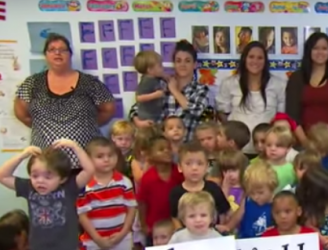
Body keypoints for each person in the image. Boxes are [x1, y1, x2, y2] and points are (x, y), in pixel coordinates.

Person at [14, 33, 115, 173]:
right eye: (52, 49)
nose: (57, 53)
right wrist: (44, 125)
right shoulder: (32, 83)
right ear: (46, 55)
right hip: (46, 163)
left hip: (86, 162)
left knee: (85, 195)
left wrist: (86, 123)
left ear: (70, 54)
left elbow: (108, 109)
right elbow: (21, 113)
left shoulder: (90, 82)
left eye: (63, 49)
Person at [215, 42, 286, 157]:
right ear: (244, 59)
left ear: (265, 61)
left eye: (260, 58)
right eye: (251, 57)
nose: (255, 61)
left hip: (267, 152)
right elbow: (223, 114)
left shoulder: (278, 85)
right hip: (236, 151)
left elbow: (282, 117)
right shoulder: (229, 83)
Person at [131, 40, 211, 140]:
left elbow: (196, 111)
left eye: (187, 61)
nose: (182, 64)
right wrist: (137, 121)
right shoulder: (160, 83)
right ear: (174, 64)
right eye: (178, 61)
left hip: (186, 146)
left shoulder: (201, 89)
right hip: (159, 145)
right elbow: (138, 107)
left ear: (195, 64)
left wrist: (174, 90)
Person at [77, 138, 138, 250]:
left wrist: (123, 233)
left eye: (110, 155)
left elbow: (131, 210)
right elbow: (82, 215)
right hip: (94, 241)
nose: (106, 160)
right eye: (100, 156)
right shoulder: (84, 186)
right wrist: (97, 239)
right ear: (88, 160)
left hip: (122, 240)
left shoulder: (124, 182)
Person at [285, 32, 328, 146]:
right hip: (302, 143)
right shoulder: (296, 78)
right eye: (315, 48)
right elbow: (292, 115)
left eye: (324, 48)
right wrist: (305, 143)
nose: (320, 52)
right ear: (308, 51)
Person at [168, 142, 231, 231]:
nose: (194, 168)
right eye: (188, 163)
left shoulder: (213, 188)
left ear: (207, 167)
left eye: (200, 163)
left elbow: (223, 213)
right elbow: (175, 218)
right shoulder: (175, 193)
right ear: (180, 167)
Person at [136, 136, 184, 240]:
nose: (167, 151)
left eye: (169, 148)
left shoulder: (180, 173)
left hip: (178, 226)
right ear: (150, 155)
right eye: (161, 149)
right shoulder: (148, 178)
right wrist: (144, 225)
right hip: (155, 228)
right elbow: (142, 203)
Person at [224, 161, 278, 237]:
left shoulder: (276, 203)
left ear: (272, 188)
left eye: (260, 193)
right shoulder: (247, 200)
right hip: (245, 241)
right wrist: (228, 227)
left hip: (266, 243)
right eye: (252, 193)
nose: (255, 197)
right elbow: (237, 217)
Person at [134, 50, 166, 124]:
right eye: (160, 66)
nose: (163, 68)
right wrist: (155, 95)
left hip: (155, 115)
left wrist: (165, 76)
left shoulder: (155, 78)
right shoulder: (146, 81)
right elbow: (139, 98)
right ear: (150, 70)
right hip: (147, 116)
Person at [264, 125, 297, 192]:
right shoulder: (259, 167)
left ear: (288, 148)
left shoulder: (293, 169)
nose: (272, 149)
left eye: (278, 145)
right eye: (269, 145)